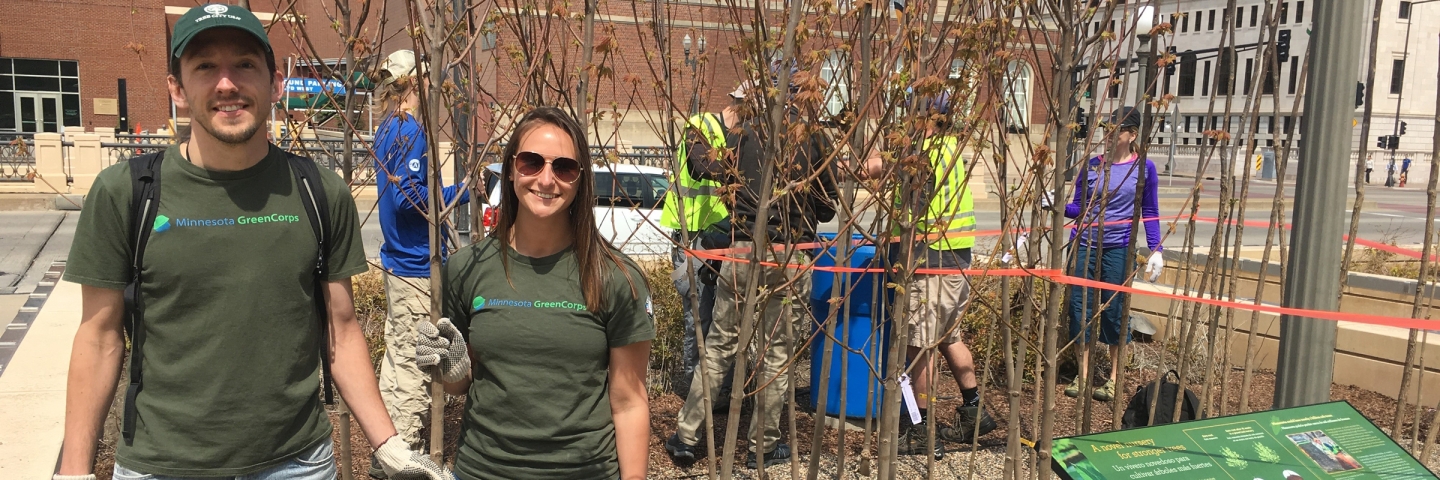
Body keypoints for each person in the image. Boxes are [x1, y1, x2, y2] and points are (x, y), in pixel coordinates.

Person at [53, 5, 447, 480]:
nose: (227, 83)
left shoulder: (319, 191)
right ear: (177, 88)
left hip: (299, 464)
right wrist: (73, 471)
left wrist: (388, 446)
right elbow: (98, 338)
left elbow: (341, 330)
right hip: (163, 465)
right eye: (204, 67)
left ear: (275, 82)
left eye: (244, 64)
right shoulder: (126, 192)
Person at [424, 106, 653, 479]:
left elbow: (629, 403)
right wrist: (449, 366)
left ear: (580, 180)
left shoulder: (615, 276)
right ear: (512, 168)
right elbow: (461, 385)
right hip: (483, 470)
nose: (547, 179)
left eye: (564, 168)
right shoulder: (466, 268)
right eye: (532, 162)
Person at [665, 72, 839, 469]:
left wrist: (712, 130)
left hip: (743, 251)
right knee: (777, 355)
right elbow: (829, 208)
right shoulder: (813, 139)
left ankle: (686, 436)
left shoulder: (745, 135)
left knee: (720, 345)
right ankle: (762, 445)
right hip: (790, 255)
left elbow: (699, 166)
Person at [845, 92, 996, 457]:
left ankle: (920, 428)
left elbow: (866, 169)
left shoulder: (919, 149)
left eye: (911, 111)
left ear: (925, 115)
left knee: (919, 346)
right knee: (948, 335)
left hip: (929, 262)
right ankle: (974, 409)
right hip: (956, 258)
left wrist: (860, 128)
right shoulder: (951, 147)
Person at [369, 48, 470, 478]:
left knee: (395, 357)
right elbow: (408, 195)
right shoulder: (411, 131)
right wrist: (458, 193)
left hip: (396, 261)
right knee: (415, 361)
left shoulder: (387, 127)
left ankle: (384, 448)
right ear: (415, 82)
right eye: (428, 79)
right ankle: (405, 453)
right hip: (413, 267)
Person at [1059, 106, 1164, 402]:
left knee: (1115, 310)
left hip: (1119, 248)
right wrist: (1056, 205)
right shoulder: (1093, 166)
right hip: (1085, 244)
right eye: (1106, 127)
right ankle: (1084, 374)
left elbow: (1151, 211)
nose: (1109, 133)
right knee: (1080, 309)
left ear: (1131, 135)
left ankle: (1114, 378)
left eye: (1116, 129)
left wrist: (1156, 249)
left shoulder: (1143, 168)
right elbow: (1079, 207)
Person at [660, 83, 745, 398]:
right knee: (699, 312)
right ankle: (699, 392)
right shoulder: (700, 125)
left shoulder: (749, 137)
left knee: (728, 315)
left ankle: (721, 389)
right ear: (737, 104)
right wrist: (743, 167)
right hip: (692, 239)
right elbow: (702, 166)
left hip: (727, 236)